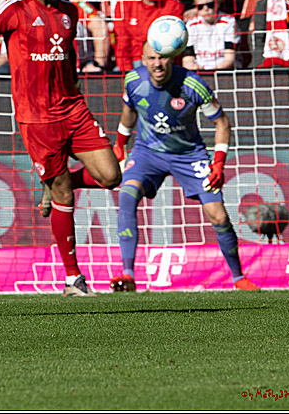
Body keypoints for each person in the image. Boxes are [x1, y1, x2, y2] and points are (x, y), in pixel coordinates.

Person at [0, 0, 121, 297]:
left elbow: (69, 57)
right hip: (36, 117)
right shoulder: (15, 10)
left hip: (73, 109)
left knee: (111, 175)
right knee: (63, 193)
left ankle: (55, 183)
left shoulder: (70, 13)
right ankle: (73, 278)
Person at [110, 44, 259, 292]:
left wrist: (219, 161)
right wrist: (119, 144)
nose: (157, 64)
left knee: (218, 215)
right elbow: (129, 113)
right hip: (148, 153)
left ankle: (237, 277)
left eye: (162, 58)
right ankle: (127, 274)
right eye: (151, 58)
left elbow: (222, 122)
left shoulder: (193, 85)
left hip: (190, 155)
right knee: (127, 195)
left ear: (172, 58)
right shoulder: (133, 81)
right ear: (143, 60)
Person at [112, 0, 185, 72]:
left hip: (163, 63)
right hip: (136, 62)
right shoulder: (124, 5)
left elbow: (175, 46)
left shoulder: (173, 6)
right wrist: (128, 75)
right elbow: (122, 46)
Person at [183, 0, 238, 71]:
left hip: (224, 71)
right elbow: (187, 60)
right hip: (199, 70)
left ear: (217, 3)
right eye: (200, 6)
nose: (206, 9)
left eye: (210, 5)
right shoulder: (191, 25)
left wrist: (212, 71)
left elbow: (229, 59)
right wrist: (198, 69)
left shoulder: (229, 22)